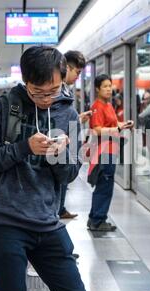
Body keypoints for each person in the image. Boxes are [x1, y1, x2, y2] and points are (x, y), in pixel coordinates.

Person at [0, 46, 88, 291]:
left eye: (53, 91)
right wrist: (24, 147)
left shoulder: (69, 114)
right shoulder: (5, 107)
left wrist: (57, 157)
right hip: (4, 222)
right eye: (37, 92)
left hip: (47, 221)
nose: (46, 99)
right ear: (25, 81)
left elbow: (68, 175)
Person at [87, 74, 134, 231]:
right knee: (104, 185)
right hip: (103, 151)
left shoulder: (108, 105)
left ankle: (94, 217)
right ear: (97, 89)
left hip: (111, 150)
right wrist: (117, 128)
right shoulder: (97, 107)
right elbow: (97, 130)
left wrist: (124, 124)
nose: (109, 89)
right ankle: (98, 220)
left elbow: (113, 124)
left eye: (110, 86)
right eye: (105, 86)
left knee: (105, 184)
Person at [56, 50, 90, 220]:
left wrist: (77, 119)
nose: (78, 76)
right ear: (67, 68)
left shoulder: (66, 90)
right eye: (77, 72)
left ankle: (60, 209)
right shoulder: (56, 91)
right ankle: (57, 210)